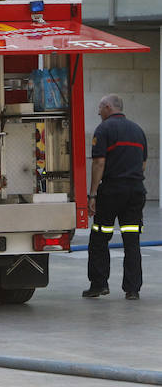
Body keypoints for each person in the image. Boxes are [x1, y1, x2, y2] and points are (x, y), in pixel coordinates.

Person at [83, 93, 147, 301]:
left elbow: (99, 163)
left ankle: (99, 285)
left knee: (100, 238)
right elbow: (143, 164)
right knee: (132, 241)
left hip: (112, 192)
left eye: (100, 108)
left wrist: (93, 194)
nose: (98, 112)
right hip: (136, 191)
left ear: (109, 107)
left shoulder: (104, 130)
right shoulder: (138, 131)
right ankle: (133, 289)